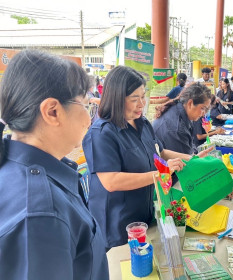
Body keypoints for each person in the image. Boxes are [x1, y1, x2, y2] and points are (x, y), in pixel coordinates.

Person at [0, 50, 108, 279]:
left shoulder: (16, 169)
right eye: (85, 105)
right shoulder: (40, 215)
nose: (89, 118)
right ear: (52, 111)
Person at [83, 66, 200, 250]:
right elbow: (111, 181)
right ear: (116, 98)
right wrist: (161, 172)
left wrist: (193, 159)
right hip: (118, 225)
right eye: (134, 99)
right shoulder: (101, 133)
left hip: (144, 216)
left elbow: (159, 152)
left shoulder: (143, 123)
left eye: (143, 96)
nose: (141, 104)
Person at [153, 82, 212, 155]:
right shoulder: (176, 128)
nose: (204, 113)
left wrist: (194, 154)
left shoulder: (183, 113)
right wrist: (194, 157)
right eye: (203, 108)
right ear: (190, 103)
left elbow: (190, 144)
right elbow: (184, 163)